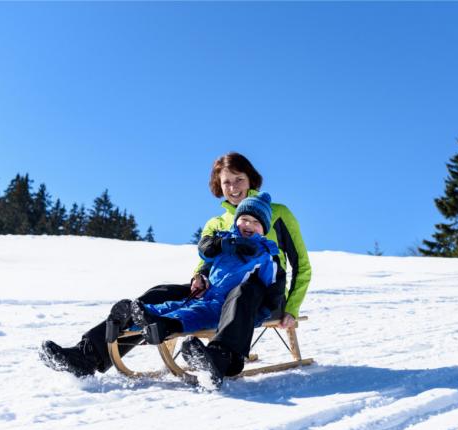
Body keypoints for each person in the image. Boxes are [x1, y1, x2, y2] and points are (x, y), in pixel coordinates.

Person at [40, 152, 311, 381]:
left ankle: (223, 357)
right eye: (227, 182)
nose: (233, 187)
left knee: (243, 293)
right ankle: (86, 355)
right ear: (219, 185)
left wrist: (292, 307)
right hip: (216, 292)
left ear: (251, 179)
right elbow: (205, 263)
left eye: (239, 179)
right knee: (159, 293)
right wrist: (199, 278)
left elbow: (301, 264)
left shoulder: (278, 213)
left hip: (262, 295)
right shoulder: (216, 224)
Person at [110, 193, 283, 387]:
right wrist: (221, 250)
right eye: (244, 219)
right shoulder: (226, 240)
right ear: (237, 221)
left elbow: (272, 289)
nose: (248, 225)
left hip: (227, 308)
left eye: (255, 222)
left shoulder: (266, 255)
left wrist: (256, 315)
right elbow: (204, 249)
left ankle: (214, 356)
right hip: (207, 296)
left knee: (190, 315)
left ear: (264, 229)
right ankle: (137, 317)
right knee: (178, 306)